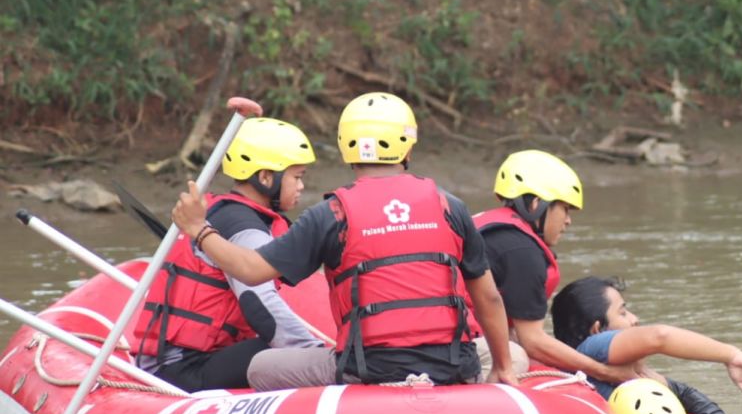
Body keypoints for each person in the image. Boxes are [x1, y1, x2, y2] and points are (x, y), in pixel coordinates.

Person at [169, 91, 516, 389]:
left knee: (261, 365)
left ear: (346, 148)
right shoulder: (451, 207)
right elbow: (489, 298)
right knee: (516, 355)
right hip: (452, 364)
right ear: (407, 147)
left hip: (366, 370)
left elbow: (252, 270)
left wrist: (200, 229)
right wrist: (502, 367)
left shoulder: (330, 214)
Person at [133, 117, 324, 392]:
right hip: (181, 368)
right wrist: (314, 354)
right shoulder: (244, 229)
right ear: (266, 177)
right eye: (297, 177)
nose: (302, 187)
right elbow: (259, 303)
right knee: (290, 354)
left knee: (283, 348)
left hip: (188, 357)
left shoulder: (225, 213)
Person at [551, 276, 742, 414]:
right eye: (623, 312)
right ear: (597, 330)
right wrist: (732, 355)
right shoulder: (590, 348)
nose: (635, 319)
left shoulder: (632, 374)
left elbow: (707, 409)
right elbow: (660, 337)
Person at [471, 150, 635, 386]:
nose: (568, 220)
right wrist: (603, 371)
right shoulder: (522, 251)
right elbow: (533, 341)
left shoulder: (491, 227)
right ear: (538, 204)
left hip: (435, 337)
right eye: (565, 209)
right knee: (513, 358)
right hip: (449, 345)